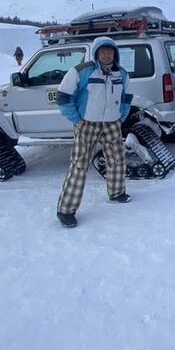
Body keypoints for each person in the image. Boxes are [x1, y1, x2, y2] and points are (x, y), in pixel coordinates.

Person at [55, 36, 133, 228]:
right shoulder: (81, 72)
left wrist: (120, 118)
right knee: (79, 166)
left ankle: (117, 192)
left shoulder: (121, 74)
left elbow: (126, 98)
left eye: (110, 51)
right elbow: (63, 98)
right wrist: (77, 121)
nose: (107, 54)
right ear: (96, 53)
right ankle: (66, 210)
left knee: (117, 159)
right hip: (87, 124)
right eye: (103, 51)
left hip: (112, 124)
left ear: (115, 53)